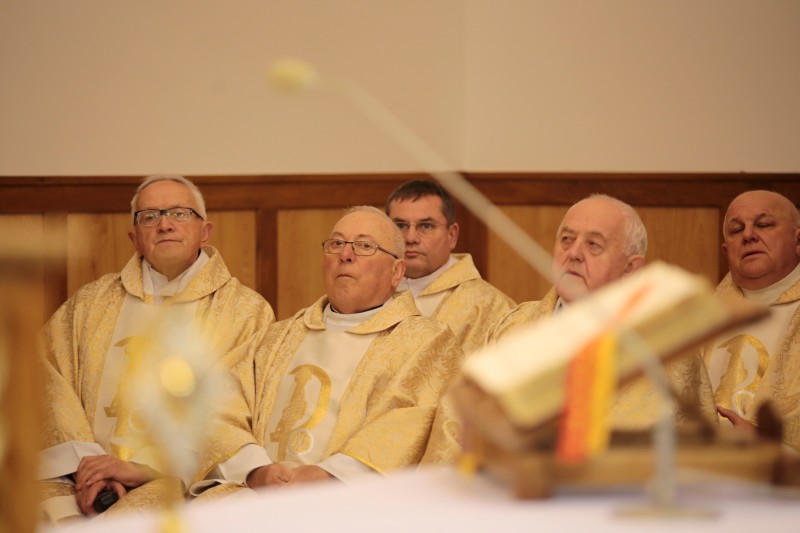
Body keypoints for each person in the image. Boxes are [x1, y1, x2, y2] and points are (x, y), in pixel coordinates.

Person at [38, 175, 275, 523]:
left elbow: (233, 408)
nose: (164, 225)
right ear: (135, 239)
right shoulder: (89, 305)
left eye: (179, 213)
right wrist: (86, 467)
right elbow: (47, 380)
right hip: (81, 477)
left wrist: (144, 467)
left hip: (185, 483)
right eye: (149, 216)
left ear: (205, 231)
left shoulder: (244, 311)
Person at [192, 206, 462, 496]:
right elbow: (221, 405)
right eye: (336, 243)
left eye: (364, 246)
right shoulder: (276, 338)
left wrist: (332, 475)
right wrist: (256, 470)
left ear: (396, 272)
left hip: (353, 501)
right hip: (256, 496)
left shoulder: (426, 342)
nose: (345, 255)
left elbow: (413, 421)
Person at [702, 190, 800, 451]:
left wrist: (767, 445)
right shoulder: (700, 321)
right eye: (736, 230)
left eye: (763, 224)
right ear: (726, 251)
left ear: (798, 239)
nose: (748, 235)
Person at [385, 180, 515, 354]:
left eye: (426, 226)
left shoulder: (490, 306)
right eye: (400, 226)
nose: (410, 238)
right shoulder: (367, 291)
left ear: (452, 235)